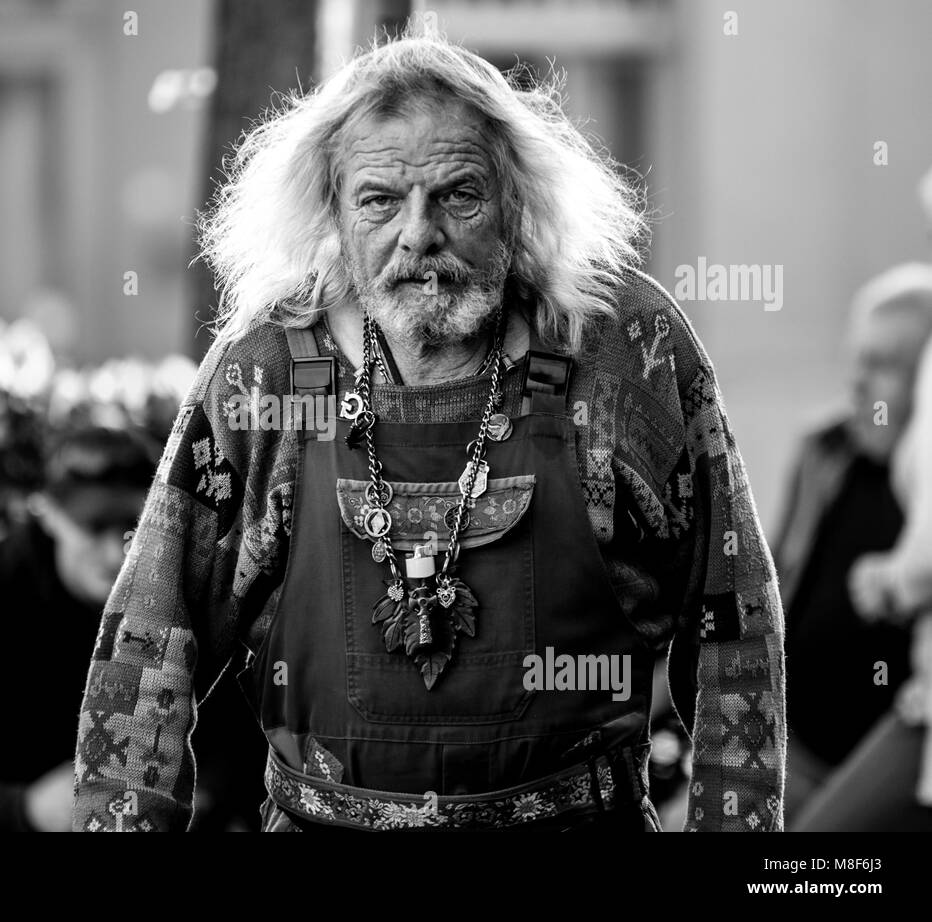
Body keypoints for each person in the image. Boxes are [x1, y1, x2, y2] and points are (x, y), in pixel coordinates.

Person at [73, 29, 785, 832]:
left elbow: (737, 626)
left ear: (517, 203)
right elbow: (146, 645)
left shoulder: (629, 348)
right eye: (380, 200)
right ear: (333, 212)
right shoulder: (264, 370)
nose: (419, 234)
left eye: (458, 194)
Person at [0, 426, 154, 830]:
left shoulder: (178, 583)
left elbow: (231, 741)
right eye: (94, 526)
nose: (116, 553)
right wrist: (27, 808)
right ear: (48, 515)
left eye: (133, 528)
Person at [773, 265, 932, 818]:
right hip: (787, 745)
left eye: (883, 365)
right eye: (858, 360)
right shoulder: (827, 453)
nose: (859, 383)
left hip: (875, 765)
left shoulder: (920, 494)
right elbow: (769, 580)